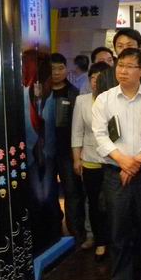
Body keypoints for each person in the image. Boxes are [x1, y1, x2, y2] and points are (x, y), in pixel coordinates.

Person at [91, 49, 141, 280]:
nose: (123, 71)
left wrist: (136, 161)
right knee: (118, 231)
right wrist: (124, 162)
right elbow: (100, 135)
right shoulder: (104, 100)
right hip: (115, 174)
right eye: (120, 65)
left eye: (129, 66)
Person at [71, 62, 111, 261]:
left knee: (113, 204)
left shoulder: (114, 99)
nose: (96, 81)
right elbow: (77, 131)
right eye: (92, 77)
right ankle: (100, 241)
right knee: (94, 203)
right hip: (91, 160)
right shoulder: (82, 101)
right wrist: (76, 158)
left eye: (100, 77)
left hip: (113, 161)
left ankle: (114, 240)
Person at [50, 53, 85, 244]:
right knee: (48, 193)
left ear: (66, 69)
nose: (56, 72)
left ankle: (75, 232)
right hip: (45, 153)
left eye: (60, 68)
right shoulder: (40, 92)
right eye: (52, 69)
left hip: (68, 152)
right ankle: (53, 229)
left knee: (72, 192)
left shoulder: (74, 93)